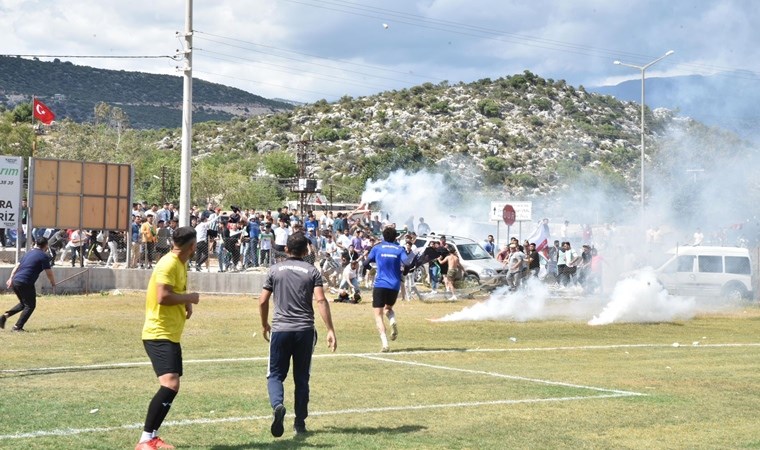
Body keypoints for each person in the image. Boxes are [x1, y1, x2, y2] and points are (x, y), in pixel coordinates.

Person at [259, 232, 337, 438]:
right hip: (304, 331)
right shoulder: (312, 271)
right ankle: (300, 423)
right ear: (305, 251)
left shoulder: (274, 270)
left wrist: (264, 324)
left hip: (281, 330)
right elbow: (321, 300)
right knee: (302, 378)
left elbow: (262, 300)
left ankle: (278, 405)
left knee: (275, 374)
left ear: (286, 249)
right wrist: (330, 329)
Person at [135, 226, 200, 450]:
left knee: (172, 384)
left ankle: (151, 437)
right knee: (170, 384)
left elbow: (174, 290)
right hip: (158, 333)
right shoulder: (169, 263)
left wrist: (186, 301)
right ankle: (146, 439)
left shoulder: (181, 263)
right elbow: (162, 297)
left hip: (169, 334)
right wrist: (190, 296)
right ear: (192, 246)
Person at [363, 227, 410, 352]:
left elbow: (365, 263)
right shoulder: (399, 249)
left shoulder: (377, 248)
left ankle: (385, 343)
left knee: (378, 315)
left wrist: (370, 269)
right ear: (395, 237)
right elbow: (407, 263)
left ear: (383, 236)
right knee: (388, 309)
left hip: (380, 285)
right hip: (394, 285)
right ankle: (392, 320)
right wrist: (404, 273)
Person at [1, 237, 56, 332]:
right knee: (30, 306)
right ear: (46, 245)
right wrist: (53, 282)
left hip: (16, 280)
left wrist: (11, 278)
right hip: (25, 282)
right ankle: (17, 327)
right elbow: (49, 272)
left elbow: (17, 266)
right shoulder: (43, 256)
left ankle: (5, 316)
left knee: (24, 304)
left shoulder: (28, 253)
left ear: (36, 244)